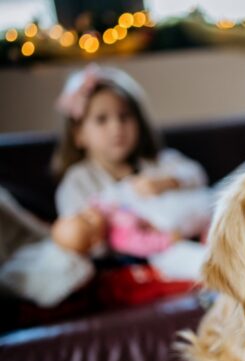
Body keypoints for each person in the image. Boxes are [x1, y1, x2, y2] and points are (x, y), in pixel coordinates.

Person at [51, 64, 209, 256]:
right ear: (78, 134)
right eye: (102, 119)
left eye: (124, 116)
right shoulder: (78, 182)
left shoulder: (157, 162)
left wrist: (168, 182)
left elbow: (197, 175)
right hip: (138, 255)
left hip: (188, 233)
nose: (117, 127)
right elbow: (75, 237)